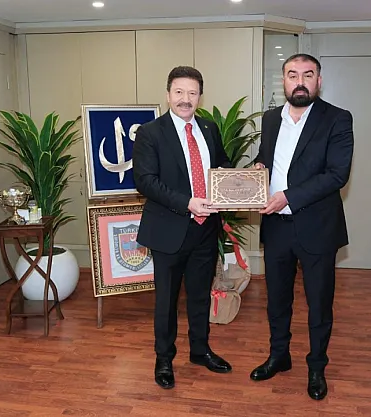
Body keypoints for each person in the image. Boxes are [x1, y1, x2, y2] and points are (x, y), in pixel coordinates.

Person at [250, 53, 354, 401]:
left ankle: (316, 367)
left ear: (318, 81)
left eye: (308, 75)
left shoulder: (337, 119)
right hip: (276, 227)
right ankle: (279, 356)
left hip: (317, 226)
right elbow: (268, 159)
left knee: (319, 304)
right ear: (284, 80)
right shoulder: (271, 119)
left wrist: (287, 197)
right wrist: (254, 172)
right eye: (292, 74)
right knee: (277, 299)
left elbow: (337, 175)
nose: (300, 81)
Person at [132, 66, 233, 390]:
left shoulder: (209, 128)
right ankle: (164, 359)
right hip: (169, 230)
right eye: (179, 92)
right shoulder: (150, 132)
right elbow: (145, 181)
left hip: (206, 229)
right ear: (168, 95)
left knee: (200, 296)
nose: (185, 99)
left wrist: (246, 180)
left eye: (192, 93)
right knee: (166, 301)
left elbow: (222, 167)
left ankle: (200, 351)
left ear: (200, 96)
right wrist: (187, 202)